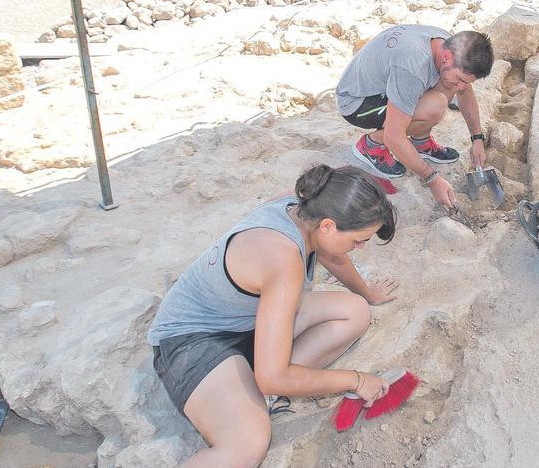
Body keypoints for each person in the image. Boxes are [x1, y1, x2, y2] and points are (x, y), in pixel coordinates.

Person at [147, 164, 399, 467]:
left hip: (246, 318)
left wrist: (367, 293)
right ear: (329, 226)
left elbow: (333, 254)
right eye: (358, 239)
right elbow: (273, 378)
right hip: (192, 341)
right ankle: (243, 398)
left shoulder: (303, 205)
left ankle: (245, 392)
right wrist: (357, 381)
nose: (359, 247)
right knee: (248, 443)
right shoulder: (282, 260)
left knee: (355, 310)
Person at [337, 25, 494, 209]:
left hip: (387, 83)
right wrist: (432, 179)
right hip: (357, 102)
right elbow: (394, 137)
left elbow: (465, 92)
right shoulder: (412, 67)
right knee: (436, 105)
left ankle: (421, 142)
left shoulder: (450, 47)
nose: (461, 86)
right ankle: (371, 145)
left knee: (448, 84)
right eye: (461, 78)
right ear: (447, 57)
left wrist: (477, 139)